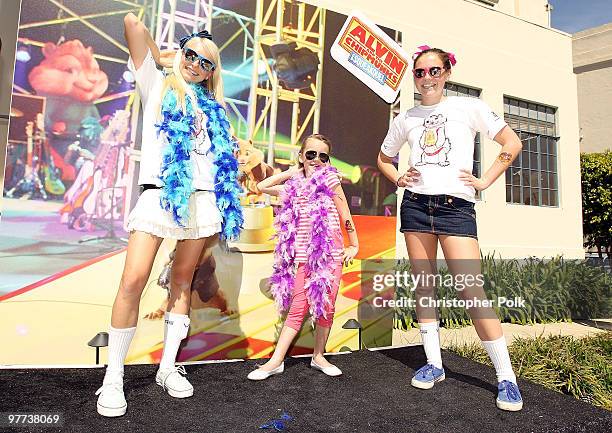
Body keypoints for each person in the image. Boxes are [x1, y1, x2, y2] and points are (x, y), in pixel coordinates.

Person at [95, 13, 242, 417]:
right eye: (191, 55)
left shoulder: (215, 109)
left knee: (182, 281)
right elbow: (131, 24)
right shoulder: (156, 84)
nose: (195, 64)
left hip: (202, 200)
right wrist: (170, 55)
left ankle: (167, 368)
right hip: (161, 197)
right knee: (134, 279)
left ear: (213, 72)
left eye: (205, 62)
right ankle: (113, 376)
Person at [377, 45, 524, 411]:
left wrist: (485, 180)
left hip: (455, 208)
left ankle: (506, 377)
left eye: (434, 71)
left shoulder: (468, 107)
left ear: (446, 73)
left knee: (472, 290)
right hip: (415, 206)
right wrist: (399, 178)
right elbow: (383, 157)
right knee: (424, 286)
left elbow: (512, 142)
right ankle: (433, 364)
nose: (427, 78)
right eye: (420, 72)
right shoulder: (406, 116)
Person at [247, 134, 359, 380]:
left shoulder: (330, 181)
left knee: (325, 306)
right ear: (301, 156)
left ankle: (318, 356)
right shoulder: (293, 187)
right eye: (311, 154)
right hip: (302, 257)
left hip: (330, 255)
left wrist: (354, 246)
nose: (317, 160)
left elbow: (345, 215)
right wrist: (293, 172)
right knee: (299, 306)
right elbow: (262, 186)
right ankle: (276, 361)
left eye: (323, 156)